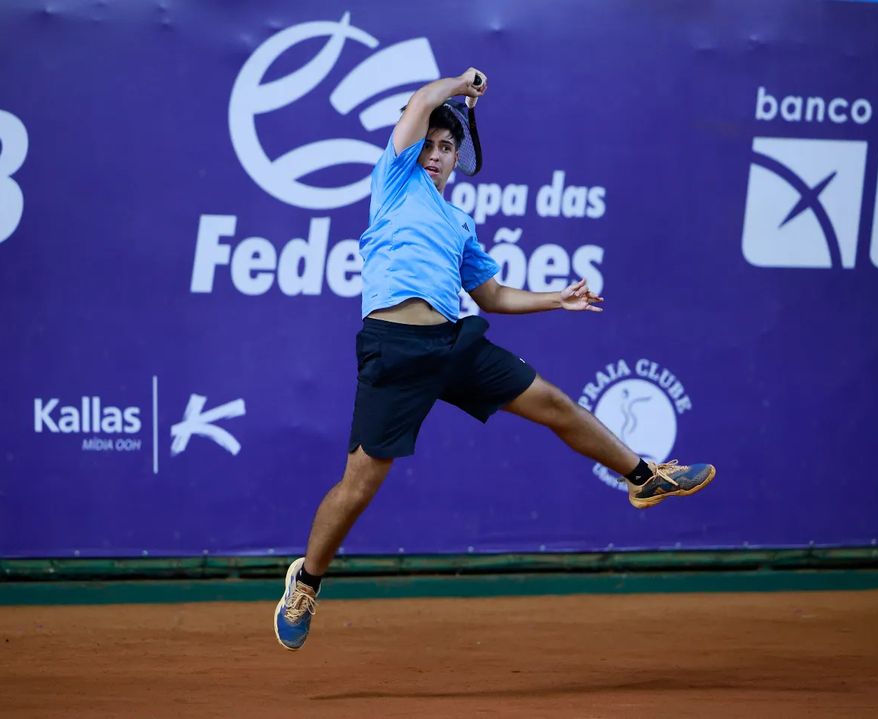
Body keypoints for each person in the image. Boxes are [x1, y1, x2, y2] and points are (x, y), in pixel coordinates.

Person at [274, 68, 715, 650]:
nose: (435, 153)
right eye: (428, 143)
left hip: (455, 343)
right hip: (395, 349)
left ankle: (644, 476)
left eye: (446, 146)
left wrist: (556, 298)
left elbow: (493, 296)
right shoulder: (394, 179)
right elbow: (421, 104)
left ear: (458, 159)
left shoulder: (459, 224)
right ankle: (306, 581)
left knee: (554, 403)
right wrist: (456, 84)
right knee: (358, 487)